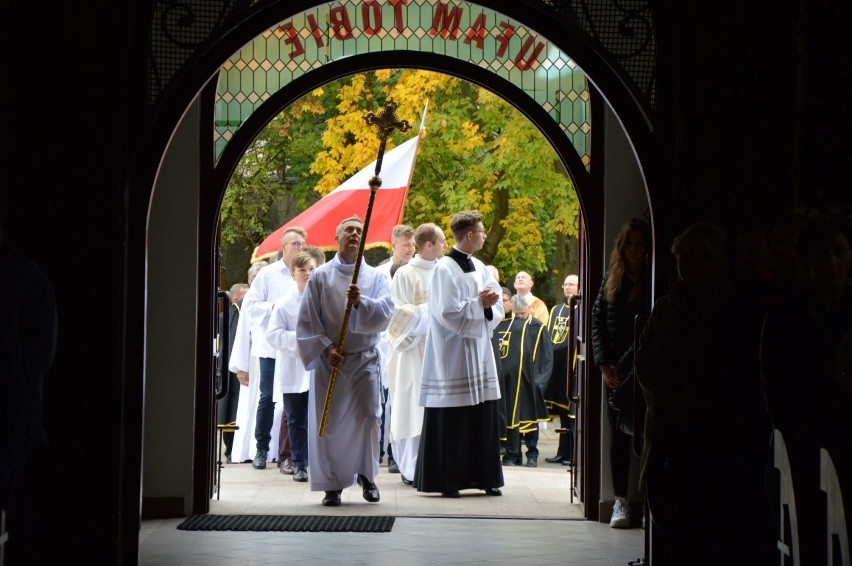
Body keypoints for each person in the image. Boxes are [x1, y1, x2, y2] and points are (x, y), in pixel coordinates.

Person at [635, 222, 774, 565]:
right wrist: (671, 404)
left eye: (700, 257)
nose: (690, 264)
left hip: (721, 437)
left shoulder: (737, 309)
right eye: (684, 256)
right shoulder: (666, 309)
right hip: (671, 431)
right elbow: (646, 363)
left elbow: (739, 371)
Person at [761, 214, 852, 565]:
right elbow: (777, 387)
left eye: (839, 251)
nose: (831, 261)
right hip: (802, 438)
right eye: (822, 254)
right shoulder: (786, 316)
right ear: (808, 261)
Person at [296, 216, 394, 507]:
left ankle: (367, 475)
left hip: (364, 358)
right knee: (332, 422)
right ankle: (333, 484)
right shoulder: (321, 277)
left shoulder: (376, 277)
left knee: (369, 416)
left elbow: (387, 313)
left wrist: (362, 302)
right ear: (337, 238)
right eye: (347, 230)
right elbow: (308, 321)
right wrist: (326, 349)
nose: (353, 234)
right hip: (332, 361)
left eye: (358, 231)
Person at [416, 210, 505, 498]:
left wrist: (487, 306)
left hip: (478, 352)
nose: (484, 235)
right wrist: (477, 304)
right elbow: (444, 312)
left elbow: (496, 307)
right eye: (481, 232)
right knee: (453, 420)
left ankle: (487, 478)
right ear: (469, 235)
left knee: (482, 415)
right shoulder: (444, 269)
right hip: (452, 355)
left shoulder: (480, 266)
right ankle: (448, 480)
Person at [591, 218, 650, 528]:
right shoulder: (610, 279)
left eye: (640, 245)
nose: (634, 250)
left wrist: (624, 366)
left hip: (640, 369)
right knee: (617, 438)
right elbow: (597, 320)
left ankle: (649, 502)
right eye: (630, 244)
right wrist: (603, 364)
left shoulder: (652, 281)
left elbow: (646, 332)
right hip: (611, 371)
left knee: (646, 435)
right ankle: (620, 503)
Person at [238, 226, 308, 472]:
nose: (300, 248)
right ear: (284, 247)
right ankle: (261, 448)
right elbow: (251, 306)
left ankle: (288, 454)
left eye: (302, 244)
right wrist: (277, 307)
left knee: (295, 400)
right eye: (295, 244)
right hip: (270, 346)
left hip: (295, 349)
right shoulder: (268, 274)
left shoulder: (308, 273)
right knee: (267, 397)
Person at [386, 223, 447, 485]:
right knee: (412, 409)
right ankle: (411, 467)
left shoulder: (447, 271)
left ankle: (438, 465)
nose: (446, 246)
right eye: (442, 242)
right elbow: (396, 313)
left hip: (443, 353)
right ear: (429, 245)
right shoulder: (405, 274)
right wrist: (431, 311)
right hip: (412, 354)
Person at [265, 251, 322, 483]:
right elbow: (273, 335)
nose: (307, 274)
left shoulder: (323, 300)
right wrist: (301, 339)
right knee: (296, 418)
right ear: (292, 273)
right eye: (302, 270)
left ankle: (319, 463)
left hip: (319, 367)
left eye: (311, 269)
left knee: (319, 418)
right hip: (293, 367)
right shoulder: (284, 304)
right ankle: (299, 463)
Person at [375, 224, 416, 474]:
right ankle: (384, 450)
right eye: (406, 245)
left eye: (413, 245)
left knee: (401, 401)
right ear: (394, 245)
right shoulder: (380, 273)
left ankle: (396, 453)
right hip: (383, 344)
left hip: (409, 343)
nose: (410, 249)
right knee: (384, 401)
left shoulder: (418, 271)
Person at [497, 294, 554, 468]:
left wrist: (539, 384)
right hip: (512, 382)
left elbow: (546, 358)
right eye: (517, 314)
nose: (519, 317)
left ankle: (532, 454)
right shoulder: (508, 326)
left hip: (530, 381)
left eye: (522, 313)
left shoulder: (538, 328)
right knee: (513, 420)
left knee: (530, 420)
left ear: (528, 309)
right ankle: (514, 454)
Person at [544, 274, 579, 466]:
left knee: (572, 414)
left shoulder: (580, 309)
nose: (567, 287)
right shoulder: (556, 310)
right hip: (557, 369)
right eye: (565, 284)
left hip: (571, 367)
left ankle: (573, 454)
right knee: (563, 415)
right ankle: (562, 451)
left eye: (572, 284)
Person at [217, 282, 248, 463]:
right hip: (230, 369)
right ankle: (230, 449)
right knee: (230, 408)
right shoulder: (226, 317)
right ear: (235, 299)